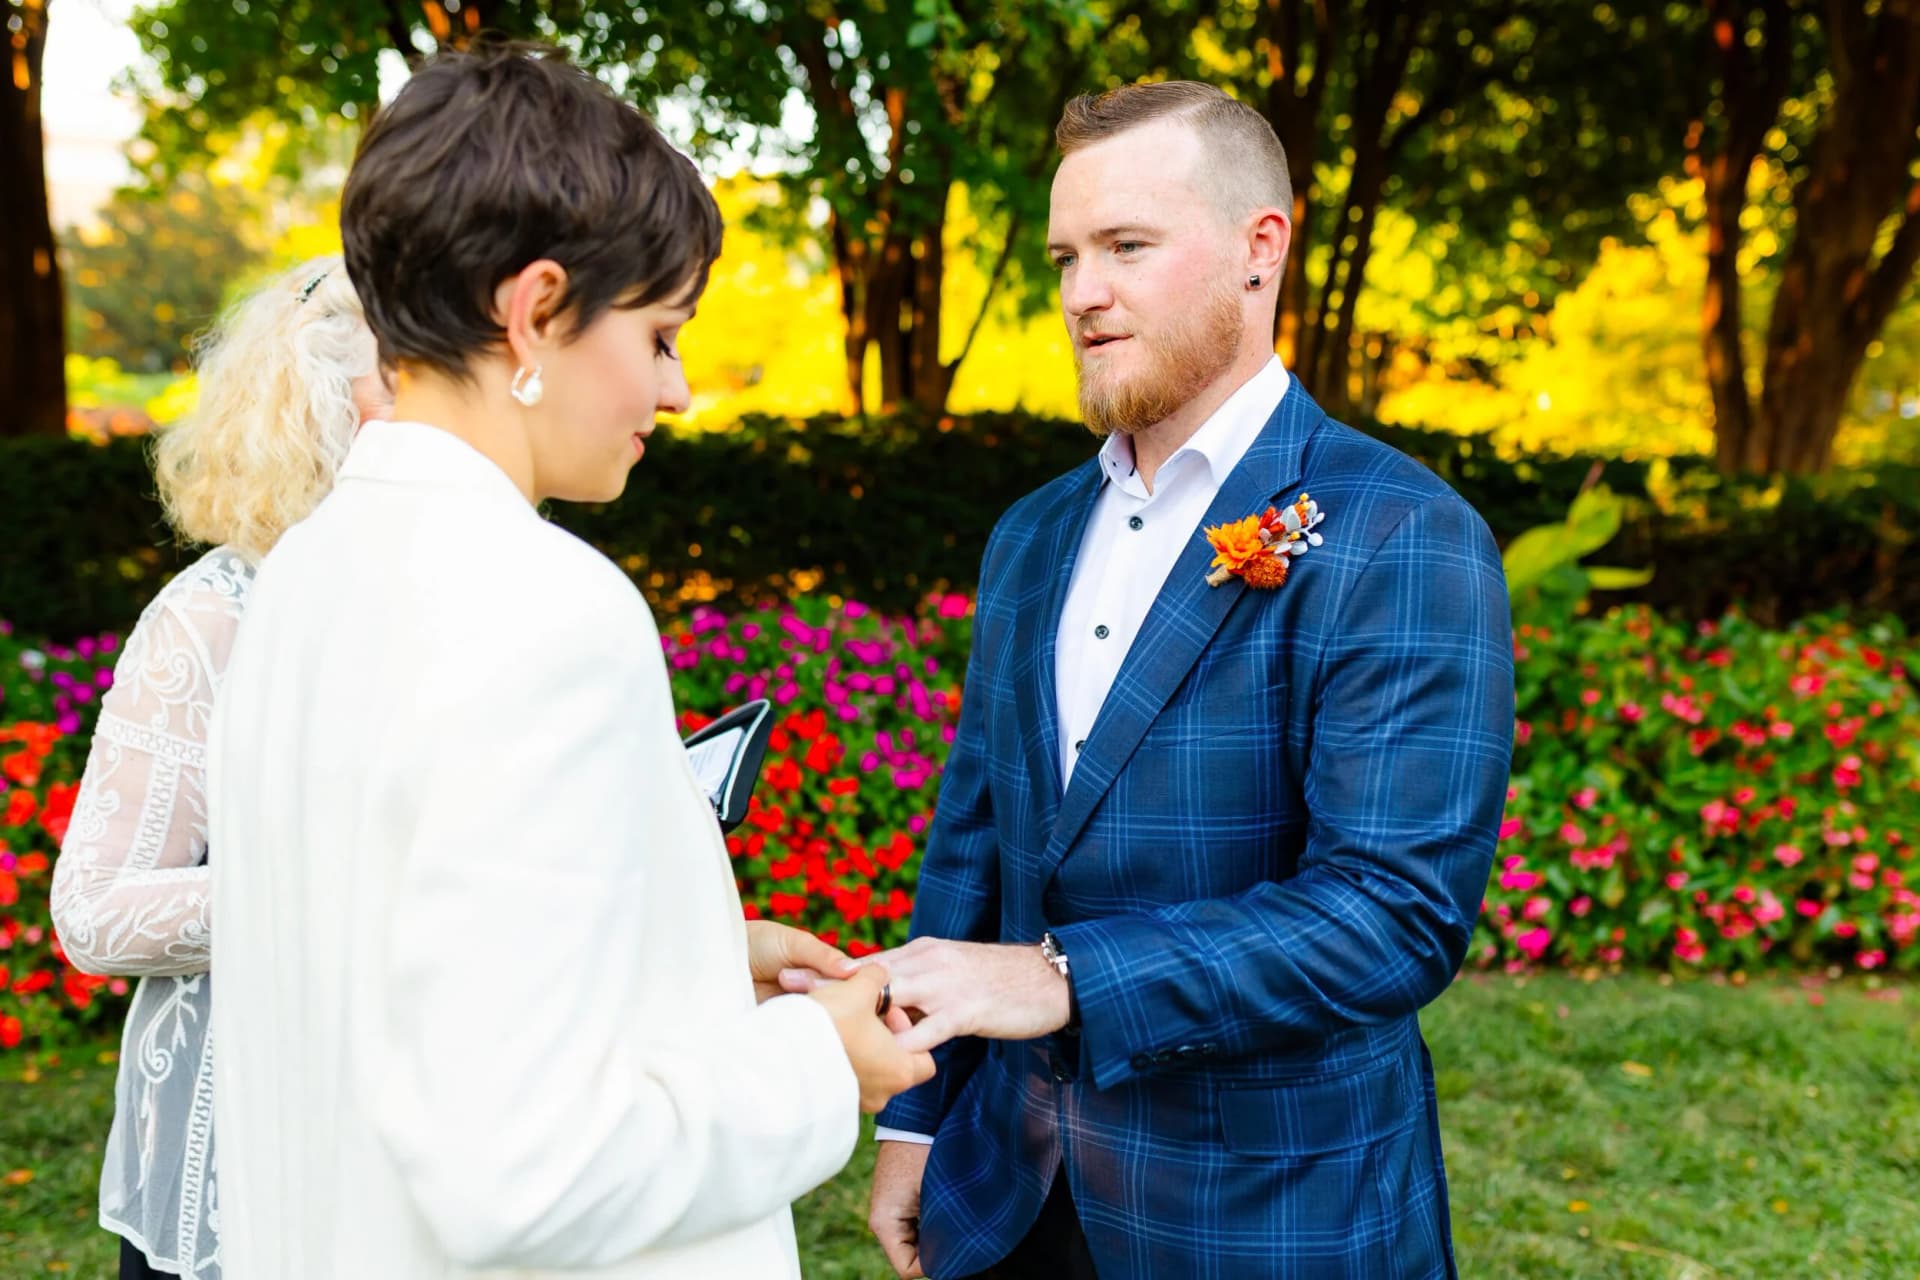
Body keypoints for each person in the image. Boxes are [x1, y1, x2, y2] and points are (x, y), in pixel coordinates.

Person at [204, 42, 932, 1280]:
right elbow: (519, 1166)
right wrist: (822, 1060)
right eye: (658, 333)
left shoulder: (303, 579)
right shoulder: (545, 607)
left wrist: (693, 954)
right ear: (535, 309)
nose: (681, 387)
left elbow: (396, 986)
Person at [860, 82, 1515, 1278]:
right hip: (1008, 1193)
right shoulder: (1032, 534)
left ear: (1260, 248)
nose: (1081, 294)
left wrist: (1060, 979)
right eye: (1066, 256)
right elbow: (978, 842)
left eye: (1126, 246)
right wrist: (917, 1119)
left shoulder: (1399, 532)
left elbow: (1392, 913)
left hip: (1269, 1214)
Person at [49, 255, 392, 1279]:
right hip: (241, 1145)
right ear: (317, 407)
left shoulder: (437, 596)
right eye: (407, 381)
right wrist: (335, 883)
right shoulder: (213, 613)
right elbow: (96, 910)